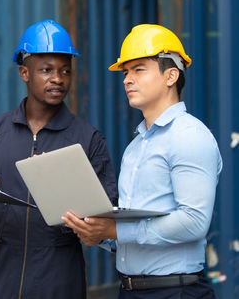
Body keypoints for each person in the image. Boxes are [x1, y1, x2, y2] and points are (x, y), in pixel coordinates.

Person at [0, 19, 118, 299]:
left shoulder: (88, 140)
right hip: (1, 277)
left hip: (59, 278)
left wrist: (92, 226)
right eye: (46, 70)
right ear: (24, 73)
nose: (58, 79)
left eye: (65, 71)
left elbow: (108, 217)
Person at [62, 24, 222, 298]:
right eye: (125, 72)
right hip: (131, 289)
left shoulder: (189, 136)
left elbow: (194, 221)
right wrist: (100, 234)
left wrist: (116, 230)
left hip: (176, 292)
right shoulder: (136, 146)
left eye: (139, 69)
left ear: (171, 75)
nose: (127, 79)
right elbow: (132, 225)